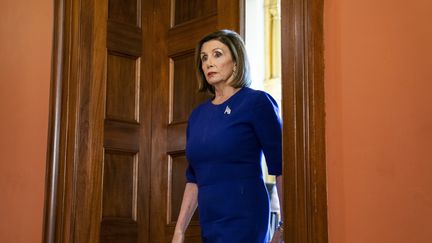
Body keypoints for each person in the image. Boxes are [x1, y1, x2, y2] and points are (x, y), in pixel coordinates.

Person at [171, 29, 284, 243]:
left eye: (217, 54)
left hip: (245, 219)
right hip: (210, 221)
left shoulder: (257, 103)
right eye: (204, 58)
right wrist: (179, 231)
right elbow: (193, 178)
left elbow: (280, 168)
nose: (208, 63)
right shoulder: (197, 115)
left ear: (236, 60)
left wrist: (284, 225)